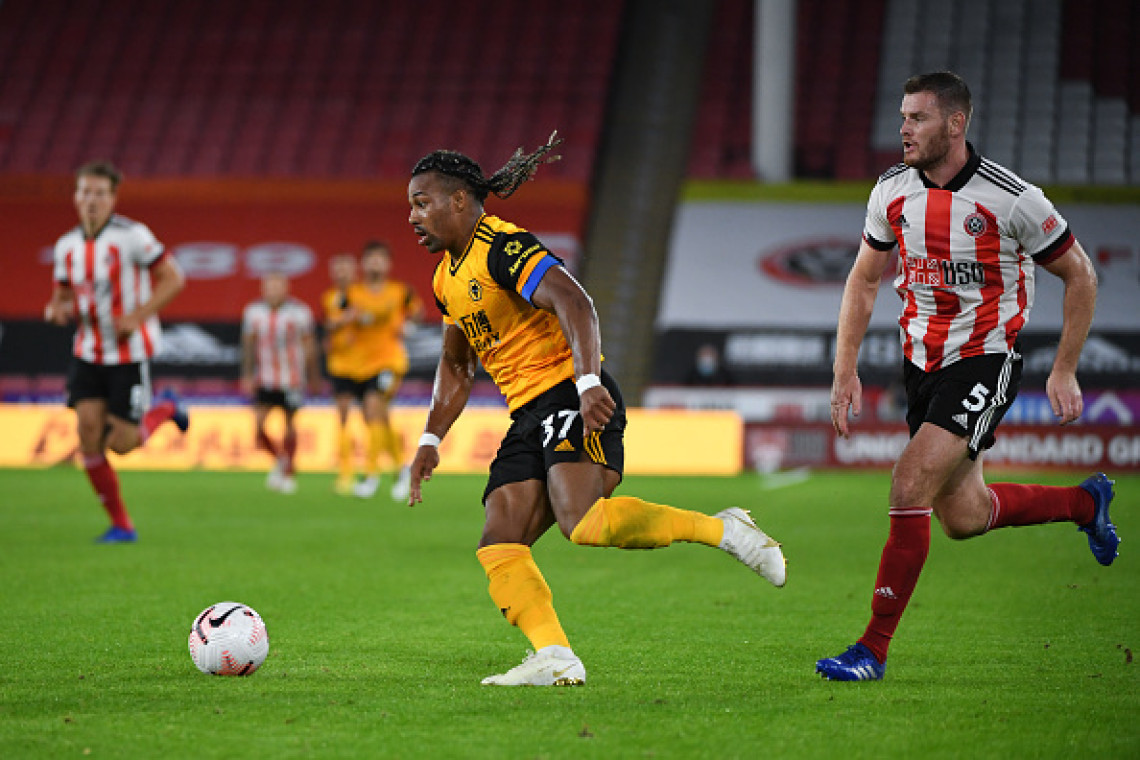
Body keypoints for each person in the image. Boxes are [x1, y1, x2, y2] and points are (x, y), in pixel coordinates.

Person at [405, 133, 787, 687]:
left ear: (459, 199)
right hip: (526, 412)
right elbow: (457, 363)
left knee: (582, 523)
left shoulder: (501, 247)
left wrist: (587, 383)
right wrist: (431, 438)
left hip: (567, 391)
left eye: (422, 203)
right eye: (411, 206)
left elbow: (574, 301)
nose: (413, 217)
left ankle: (724, 530)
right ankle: (554, 656)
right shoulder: (446, 278)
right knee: (499, 541)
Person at [815, 72, 1119, 682]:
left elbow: (1081, 275)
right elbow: (865, 279)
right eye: (903, 116)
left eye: (918, 118)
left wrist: (1064, 368)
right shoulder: (891, 191)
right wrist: (844, 367)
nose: (904, 129)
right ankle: (1086, 503)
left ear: (955, 124)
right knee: (963, 515)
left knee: (909, 483)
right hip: (920, 364)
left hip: (986, 358)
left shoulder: (1013, 200)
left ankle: (871, 650)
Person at [44, 160, 189, 543]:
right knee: (88, 435)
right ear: (76, 197)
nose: (91, 200)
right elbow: (62, 295)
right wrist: (56, 309)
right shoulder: (66, 246)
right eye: (85, 192)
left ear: (112, 199)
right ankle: (122, 525)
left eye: (99, 193)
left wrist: (138, 315)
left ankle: (167, 407)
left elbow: (174, 278)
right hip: (87, 352)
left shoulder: (132, 236)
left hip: (129, 353)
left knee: (122, 444)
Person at [322, 242, 423, 500]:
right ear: (363, 264)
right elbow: (332, 322)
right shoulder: (352, 294)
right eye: (371, 259)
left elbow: (418, 312)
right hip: (361, 366)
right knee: (377, 417)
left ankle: (370, 476)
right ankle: (401, 468)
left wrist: (407, 325)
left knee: (373, 405)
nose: (375, 263)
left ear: (388, 264)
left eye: (380, 259)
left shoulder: (400, 292)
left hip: (390, 362)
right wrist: (345, 320)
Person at [240, 273, 319, 494]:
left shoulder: (299, 313)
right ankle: (282, 461)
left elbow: (309, 346)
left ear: (286, 289)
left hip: (292, 378)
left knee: (290, 424)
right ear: (263, 289)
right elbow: (248, 346)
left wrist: (313, 376)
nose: (273, 291)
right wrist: (247, 374)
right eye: (269, 287)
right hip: (265, 378)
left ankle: (288, 474)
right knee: (258, 426)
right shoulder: (253, 312)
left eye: (277, 287)